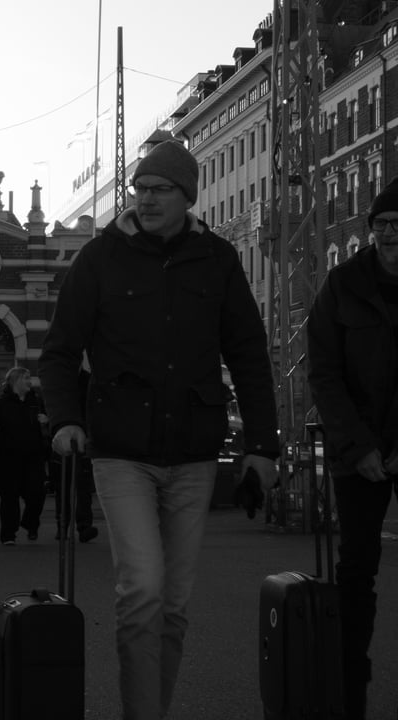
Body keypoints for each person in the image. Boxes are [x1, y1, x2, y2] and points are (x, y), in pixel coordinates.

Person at [36, 139, 279, 720]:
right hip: (121, 451)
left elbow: (249, 355)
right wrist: (66, 419)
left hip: (193, 451)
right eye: (140, 189)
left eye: (159, 190)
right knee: (142, 590)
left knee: (172, 605)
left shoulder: (217, 259)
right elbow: (60, 351)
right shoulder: (100, 258)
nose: (145, 199)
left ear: (187, 196)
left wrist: (262, 447)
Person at [305, 177, 398, 719]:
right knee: (357, 572)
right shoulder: (343, 284)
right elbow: (324, 372)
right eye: (381, 224)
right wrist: (359, 446)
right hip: (355, 451)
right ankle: (349, 693)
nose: (389, 234)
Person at [0, 366, 48, 545]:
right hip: (8, 458)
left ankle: (30, 523)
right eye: (26, 378)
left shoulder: (37, 402)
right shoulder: (1, 405)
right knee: (9, 497)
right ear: (15, 381)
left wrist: (46, 422)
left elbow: (48, 425)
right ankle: (8, 535)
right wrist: (1, 441)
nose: (30, 381)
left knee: (37, 493)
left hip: (33, 457)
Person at [48, 365, 99, 544]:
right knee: (63, 487)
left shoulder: (89, 380)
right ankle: (62, 526)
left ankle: (84, 526)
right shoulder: (59, 377)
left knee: (83, 488)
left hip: (84, 440)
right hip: (63, 438)